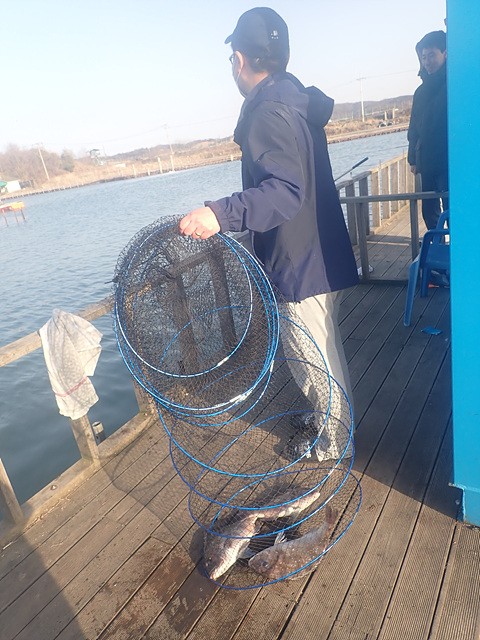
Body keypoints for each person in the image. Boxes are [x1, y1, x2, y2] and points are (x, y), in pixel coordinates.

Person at [179, 7, 359, 460]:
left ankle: (333, 442)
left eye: (231, 59)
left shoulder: (267, 112)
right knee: (323, 348)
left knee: (312, 357)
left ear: (240, 59)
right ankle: (330, 420)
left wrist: (219, 214)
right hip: (319, 253)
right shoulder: (295, 100)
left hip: (300, 263)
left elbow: (285, 191)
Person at [407, 30, 448, 230]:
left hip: (449, 161)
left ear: (445, 53)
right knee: (429, 211)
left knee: (452, 209)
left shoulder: (454, 85)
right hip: (427, 162)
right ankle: (436, 243)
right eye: (424, 57)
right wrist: (412, 159)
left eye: (432, 55)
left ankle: (457, 245)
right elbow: (413, 128)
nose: (427, 62)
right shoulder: (420, 92)